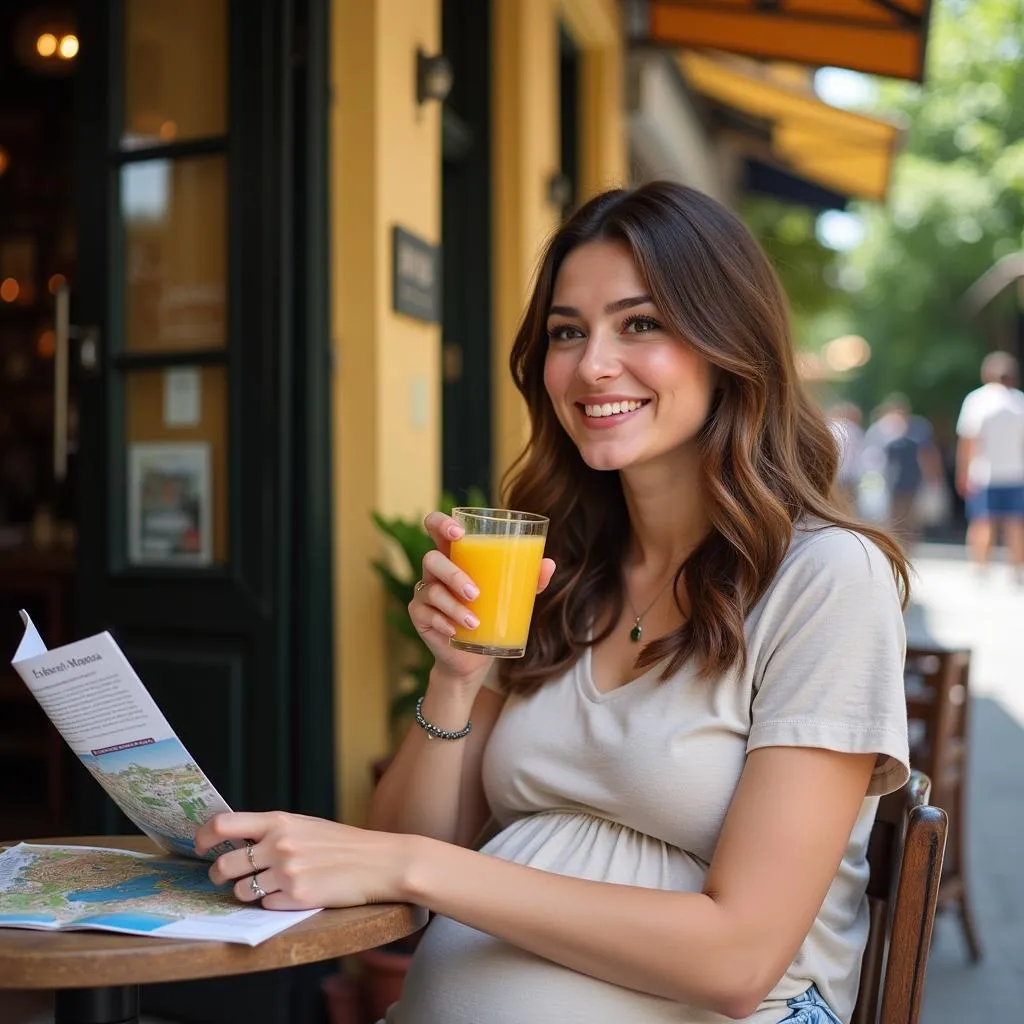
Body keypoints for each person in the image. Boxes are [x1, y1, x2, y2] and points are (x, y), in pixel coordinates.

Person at [195, 183, 911, 1024]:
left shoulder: (825, 580)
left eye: (640, 324)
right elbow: (414, 853)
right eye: (567, 332)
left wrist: (409, 868)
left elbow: (738, 960)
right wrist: (454, 678)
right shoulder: (556, 570)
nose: (592, 364)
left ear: (729, 346)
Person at [955, 351, 1024, 580]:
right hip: (1016, 472)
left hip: (984, 472)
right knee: (1015, 523)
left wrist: (962, 472)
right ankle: (1016, 569)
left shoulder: (977, 400)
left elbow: (968, 440)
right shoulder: (1019, 402)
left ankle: (980, 567)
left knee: (982, 522)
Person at [861, 394, 943, 546]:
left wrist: (932, 477)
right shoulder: (881, 429)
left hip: (913, 479)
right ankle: (895, 547)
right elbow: (872, 457)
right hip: (890, 480)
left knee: (911, 517)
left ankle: (909, 548)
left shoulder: (918, 428)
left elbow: (928, 454)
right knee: (892, 517)